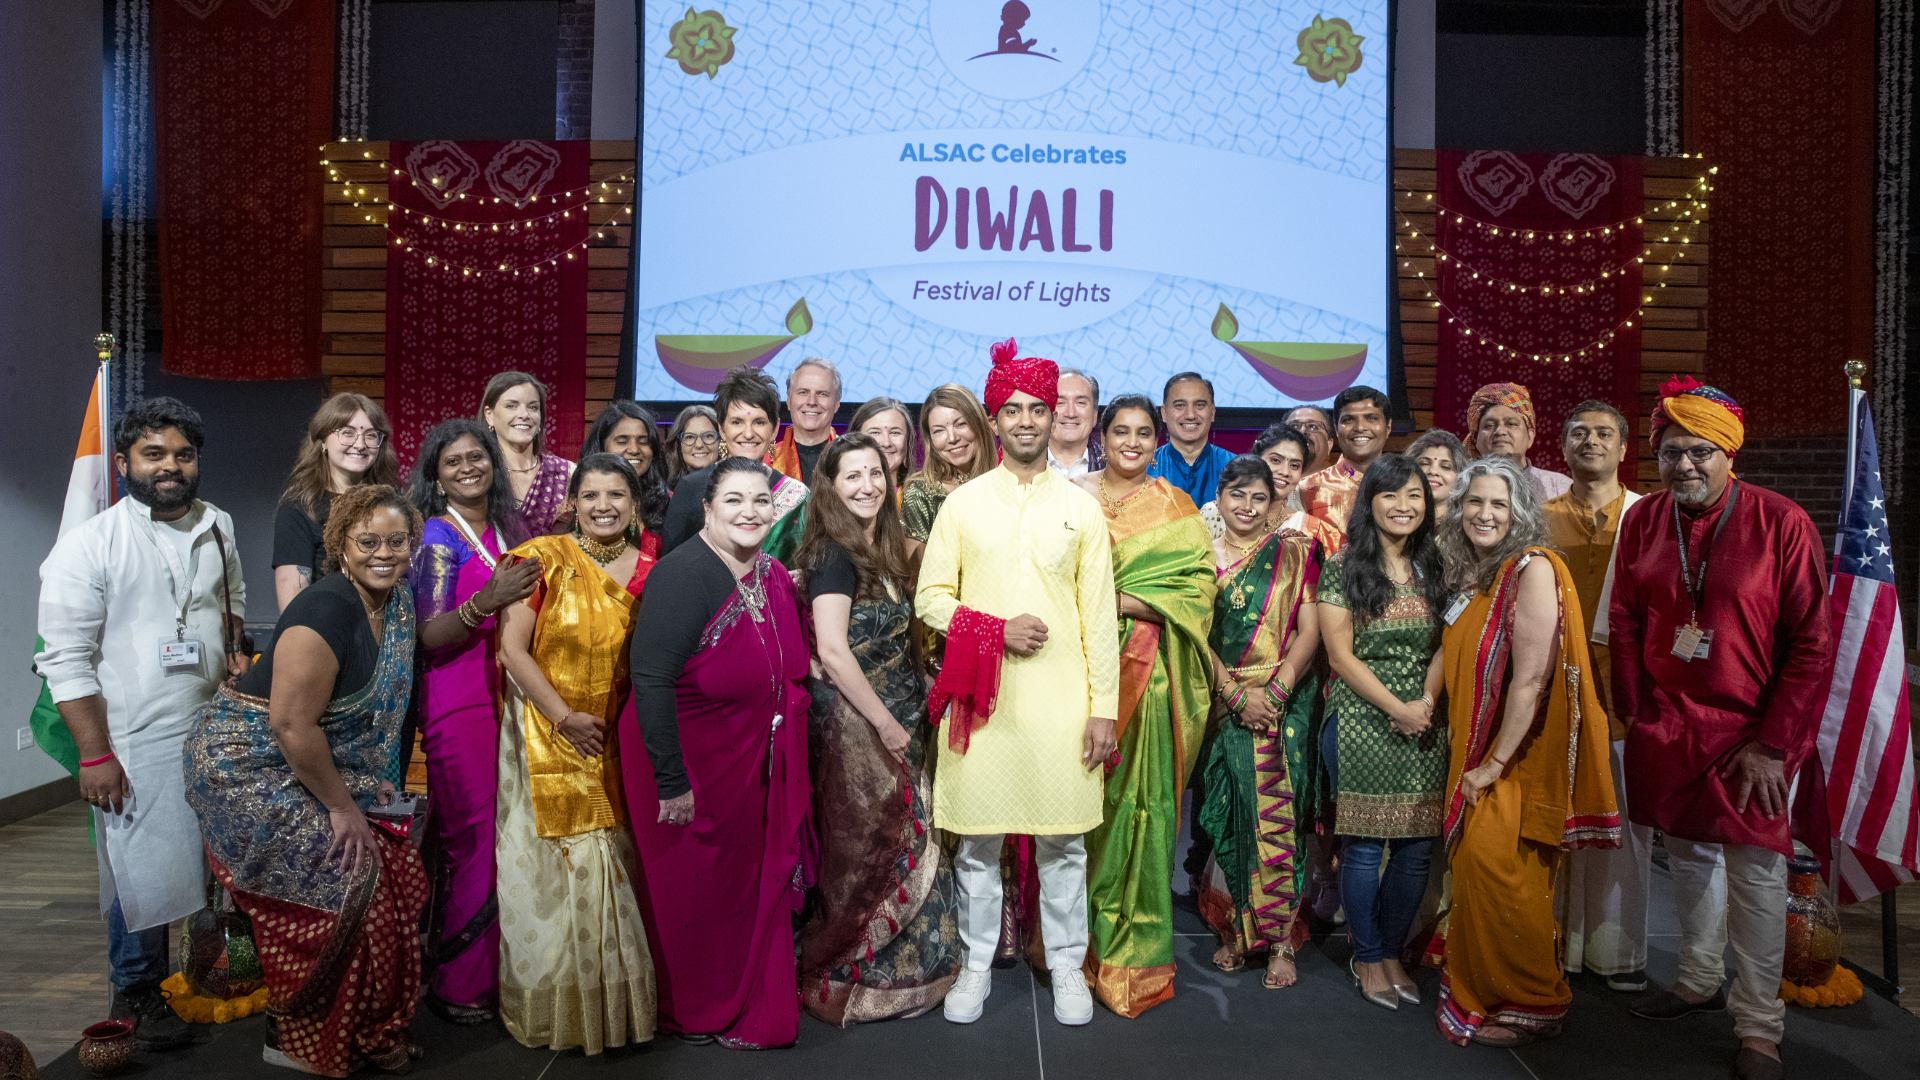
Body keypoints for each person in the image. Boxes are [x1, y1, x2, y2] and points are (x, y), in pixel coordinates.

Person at [1611, 378, 1830, 1080]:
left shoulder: (1781, 522)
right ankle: (1699, 980)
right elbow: (1623, 620)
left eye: (1700, 451)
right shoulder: (1645, 518)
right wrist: (1637, 711)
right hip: (1668, 727)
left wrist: (1775, 746)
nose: (1685, 466)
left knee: (1758, 877)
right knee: (1689, 859)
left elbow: (1813, 645)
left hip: (1750, 739)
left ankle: (1760, 1025)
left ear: (1729, 453)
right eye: (1672, 453)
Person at [184, 485, 425, 1076]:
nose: (383, 553)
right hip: (245, 761)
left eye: (397, 541)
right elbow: (292, 726)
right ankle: (295, 1036)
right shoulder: (325, 610)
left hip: (313, 758)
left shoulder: (395, 602)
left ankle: (366, 1029)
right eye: (368, 541)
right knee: (350, 875)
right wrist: (344, 809)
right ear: (341, 546)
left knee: (399, 876)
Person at [916, 337, 1120, 1027]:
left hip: (1063, 706)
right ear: (993, 422)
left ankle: (1067, 966)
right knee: (977, 845)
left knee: (1064, 846)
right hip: (984, 704)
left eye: (1040, 408)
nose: (1028, 420)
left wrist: (1105, 712)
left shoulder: (1081, 506)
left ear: (1056, 415)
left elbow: (1099, 618)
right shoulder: (965, 504)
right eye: (1013, 410)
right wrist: (994, 628)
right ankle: (973, 967)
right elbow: (931, 599)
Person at [37, 397, 249, 1051]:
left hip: (209, 730)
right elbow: (64, 658)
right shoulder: (90, 544)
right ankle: (135, 991)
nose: (170, 466)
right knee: (138, 872)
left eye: (183, 454)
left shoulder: (219, 524)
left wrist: (235, 657)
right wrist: (95, 755)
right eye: (154, 454)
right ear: (125, 461)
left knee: (200, 868)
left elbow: (230, 601)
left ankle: (196, 981)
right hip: (129, 740)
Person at [625, 458, 813, 1048]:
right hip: (689, 764)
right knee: (695, 891)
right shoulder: (683, 575)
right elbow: (650, 681)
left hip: (748, 761)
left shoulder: (770, 573)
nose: (749, 513)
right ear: (706, 508)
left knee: (738, 887)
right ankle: (697, 1007)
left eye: (760, 501)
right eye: (733, 500)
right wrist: (671, 781)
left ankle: (737, 993)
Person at [1433, 458, 1620, 1047]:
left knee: (1501, 871)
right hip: (1475, 747)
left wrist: (1491, 764)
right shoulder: (1476, 574)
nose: (1485, 514)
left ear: (1519, 513)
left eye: (1498, 504)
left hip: (1517, 756)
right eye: (1474, 502)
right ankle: (1487, 989)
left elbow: (1532, 679)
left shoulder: (1533, 568)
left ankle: (1533, 1002)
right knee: (1478, 870)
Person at [492, 454, 660, 1052]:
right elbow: (512, 651)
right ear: (573, 502)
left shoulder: (651, 569)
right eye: (591, 496)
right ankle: (560, 1013)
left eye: (617, 495)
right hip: (546, 729)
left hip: (616, 738)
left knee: (614, 862)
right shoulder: (541, 559)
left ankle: (612, 1015)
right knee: (554, 874)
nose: (603, 506)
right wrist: (563, 720)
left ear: (635, 504)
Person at [792, 435, 959, 1024]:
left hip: (901, 714)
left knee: (906, 842)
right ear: (830, 486)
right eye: (851, 476)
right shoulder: (834, 553)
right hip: (859, 724)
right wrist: (887, 724)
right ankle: (852, 973)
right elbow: (833, 653)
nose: (866, 485)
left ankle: (912, 970)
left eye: (874, 474)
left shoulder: (882, 547)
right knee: (864, 850)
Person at [1073, 395, 1215, 1017]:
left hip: (1147, 677)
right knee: (1076, 810)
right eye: (1119, 430)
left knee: (1142, 806)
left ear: (1155, 439)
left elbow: (1198, 590)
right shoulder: (1070, 496)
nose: (1131, 441)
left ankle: (1131, 952)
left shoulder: (1175, 506)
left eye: (1142, 432)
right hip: (1072, 674)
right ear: (1101, 435)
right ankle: (1067, 945)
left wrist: (1122, 601)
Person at [405, 418, 538, 1023]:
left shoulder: (510, 528)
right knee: (474, 834)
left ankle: (498, 972)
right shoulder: (438, 536)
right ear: (435, 475)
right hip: (458, 698)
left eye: (476, 458)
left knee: (507, 832)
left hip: (510, 692)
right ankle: (459, 981)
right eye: (452, 461)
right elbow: (429, 634)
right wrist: (488, 599)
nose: (466, 467)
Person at [1317, 454, 1448, 1011]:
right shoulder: (1343, 567)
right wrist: (1396, 706)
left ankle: (1393, 951)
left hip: (1423, 716)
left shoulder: (1437, 565)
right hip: (1359, 716)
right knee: (1365, 845)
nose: (1404, 506)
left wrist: (1424, 702)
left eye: (1414, 495)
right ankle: (1366, 954)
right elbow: (1340, 657)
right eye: (1391, 495)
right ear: (1369, 501)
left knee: (1417, 848)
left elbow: (1445, 643)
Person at [1193, 456, 1321, 989]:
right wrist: (1235, 694)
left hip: (1283, 699)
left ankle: (1281, 939)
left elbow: (1310, 629)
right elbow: (1193, 633)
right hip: (1223, 699)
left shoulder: (1294, 553)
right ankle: (1235, 930)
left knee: (1279, 816)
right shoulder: (1198, 559)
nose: (1246, 507)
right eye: (1236, 496)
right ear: (1219, 501)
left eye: (1258, 498)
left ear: (1275, 505)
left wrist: (1276, 690)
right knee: (1235, 812)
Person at [1543, 400, 1653, 992]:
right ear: (1562, 449)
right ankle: (1555, 950)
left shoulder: (1648, 516)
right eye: (1578, 432)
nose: (1591, 441)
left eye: (1603, 433)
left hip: (1623, 690)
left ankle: (1616, 953)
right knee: (1557, 819)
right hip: (1553, 685)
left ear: (1623, 447)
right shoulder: (1538, 517)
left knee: (1624, 823)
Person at [663, 365, 811, 560]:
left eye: (759, 422)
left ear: (774, 429)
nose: (748, 434)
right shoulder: (692, 488)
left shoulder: (797, 497)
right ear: (722, 429)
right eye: (737, 422)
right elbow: (671, 571)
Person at [273, 392, 399, 610]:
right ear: (322, 441)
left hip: (386, 631)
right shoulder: (301, 507)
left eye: (370, 435)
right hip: (326, 632)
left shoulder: (391, 503)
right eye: (347, 433)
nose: (360, 444)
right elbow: (292, 605)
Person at [902, 383, 997, 558]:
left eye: (961, 424)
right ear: (930, 439)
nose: (952, 438)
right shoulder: (921, 493)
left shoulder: (1005, 483)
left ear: (980, 425)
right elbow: (917, 577)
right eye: (939, 431)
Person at [1293, 385, 1391, 555]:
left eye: (1371, 418)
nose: (1360, 427)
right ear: (1336, 429)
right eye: (1348, 420)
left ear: (1388, 427)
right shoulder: (1305, 489)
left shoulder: (1406, 486)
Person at [480, 371, 575, 537]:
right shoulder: (479, 474)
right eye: (511, 406)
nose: (524, 415)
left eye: (533, 407)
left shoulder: (566, 473)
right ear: (489, 415)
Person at [1199, 422, 1311, 540]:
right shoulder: (1216, 514)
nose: (1285, 472)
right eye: (1275, 460)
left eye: (1294, 466)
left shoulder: (1302, 525)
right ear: (1257, 458)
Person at [1467, 382, 1573, 501]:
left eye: (1511, 424)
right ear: (1475, 438)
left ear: (1530, 437)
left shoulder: (1561, 488)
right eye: (1489, 425)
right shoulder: (1458, 486)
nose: (1500, 431)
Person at [585, 399, 673, 534]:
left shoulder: (670, 504)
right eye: (622, 441)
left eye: (644, 442)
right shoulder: (581, 502)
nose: (634, 449)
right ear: (601, 446)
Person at [1147, 372, 1234, 507]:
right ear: (1164, 413)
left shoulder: (1235, 467)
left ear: (1212, 413)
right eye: (1180, 405)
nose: (1190, 415)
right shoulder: (1145, 468)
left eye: (1200, 405)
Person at [769, 358, 841, 483]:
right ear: (788, 401)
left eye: (822, 394)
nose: (812, 401)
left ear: (836, 404)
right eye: (803, 392)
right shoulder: (767, 460)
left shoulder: (851, 457)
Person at [849, 395, 918, 500]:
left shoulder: (923, 498)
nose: (886, 443)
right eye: (875, 432)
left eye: (895, 433)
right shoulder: (835, 496)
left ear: (908, 442)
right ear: (855, 440)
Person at [1047, 368, 1105, 478]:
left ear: (1095, 415)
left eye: (1081, 403)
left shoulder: (1115, 469)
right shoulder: (1015, 464)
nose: (1071, 413)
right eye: (1060, 403)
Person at [1407, 428, 1468, 505]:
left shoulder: (1469, 516)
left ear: (1461, 478)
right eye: (1424, 463)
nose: (1433, 471)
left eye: (1445, 467)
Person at [665, 404, 722, 486]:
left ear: (720, 440)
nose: (699, 445)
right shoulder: (665, 492)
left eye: (708, 436)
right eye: (690, 437)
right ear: (678, 445)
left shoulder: (735, 484)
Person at [1285, 405, 1338, 476]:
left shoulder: (1347, 485)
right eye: (1294, 426)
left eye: (1313, 426)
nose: (1302, 431)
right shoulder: (1266, 483)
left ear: (1329, 444)